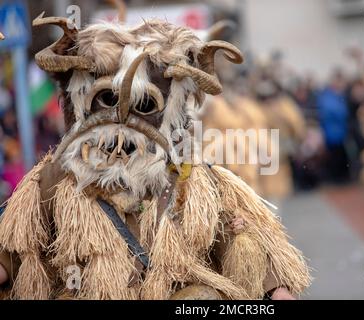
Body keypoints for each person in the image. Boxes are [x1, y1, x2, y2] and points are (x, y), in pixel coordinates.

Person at [0, 13, 310, 300]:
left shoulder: (197, 182)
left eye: (144, 106)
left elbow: (239, 240)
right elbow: (15, 249)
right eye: (106, 100)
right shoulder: (55, 180)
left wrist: (275, 289)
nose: (121, 122)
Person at [317, 70, 350, 183]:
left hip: (338, 131)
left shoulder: (335, 95)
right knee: (336, 157)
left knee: (339, 156)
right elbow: (339, 112)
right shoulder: (330, 96)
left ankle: (340, 177)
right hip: (333, 132)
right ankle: (337, 178)